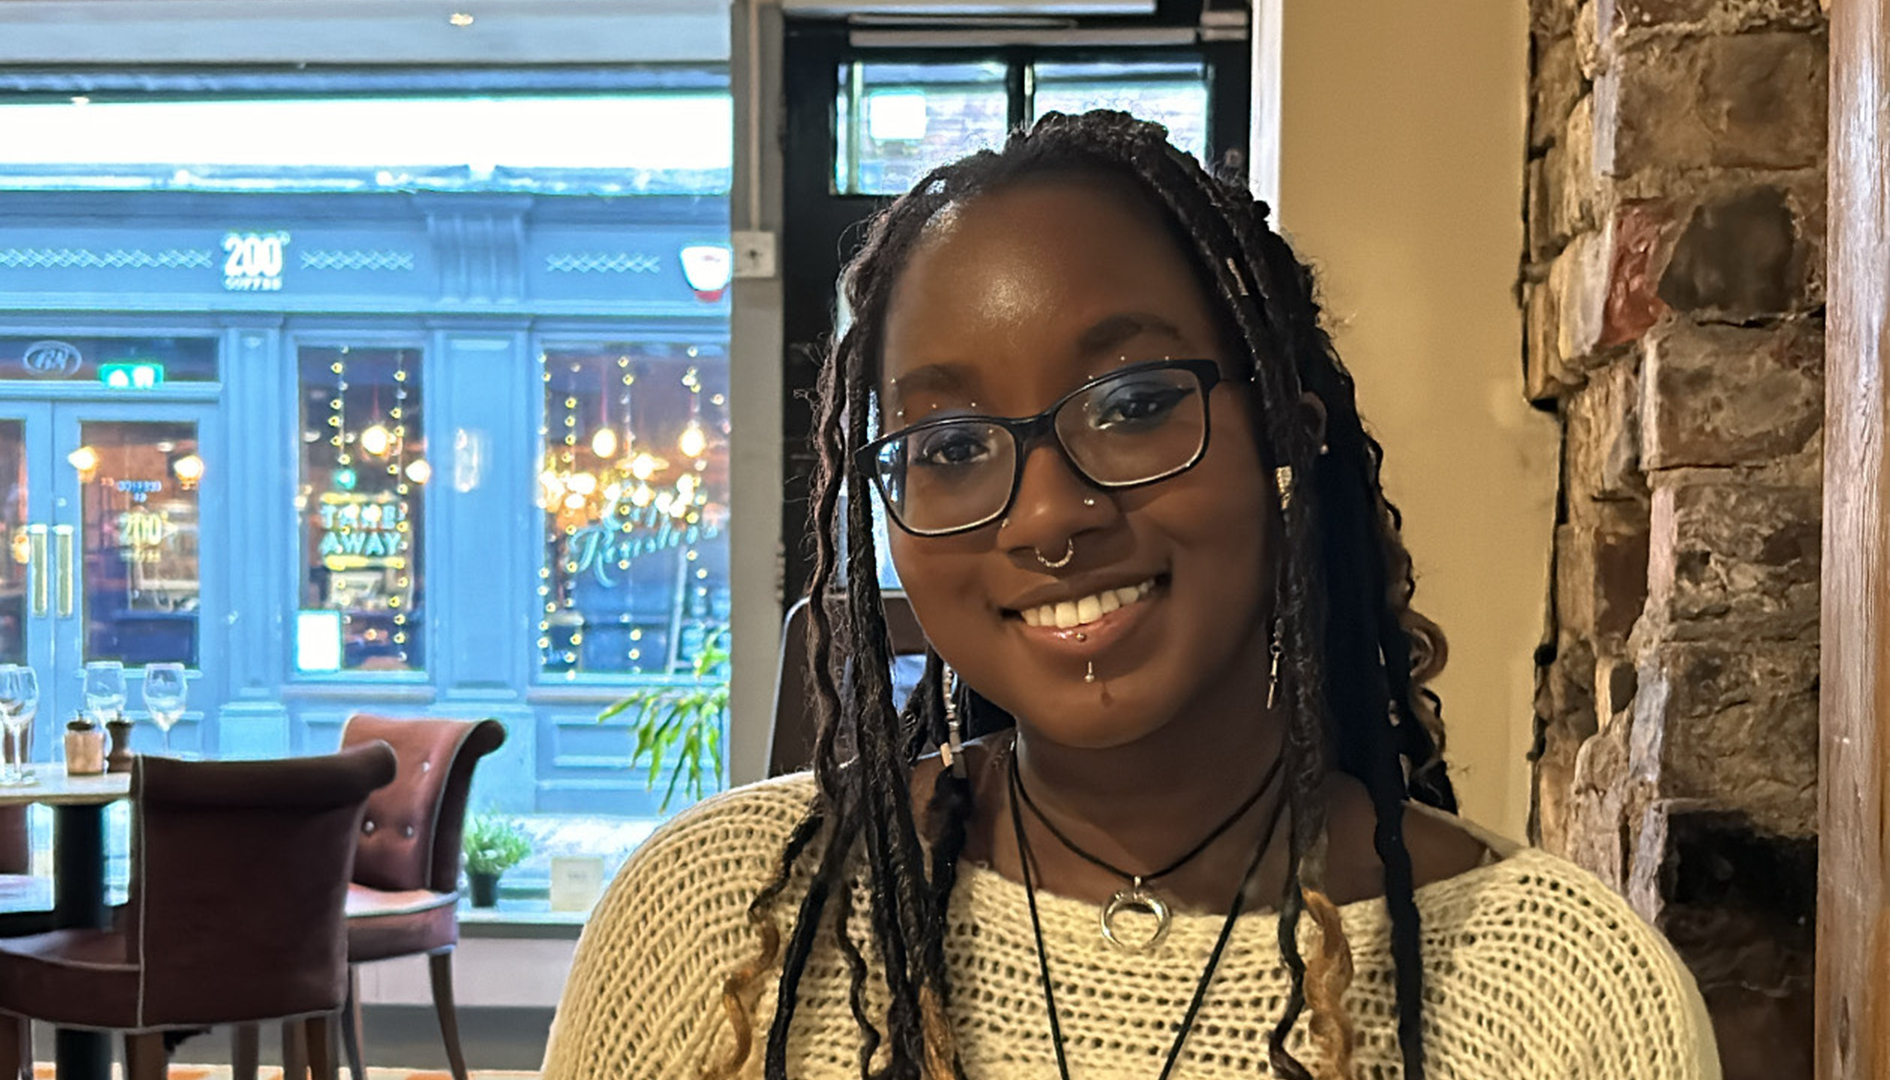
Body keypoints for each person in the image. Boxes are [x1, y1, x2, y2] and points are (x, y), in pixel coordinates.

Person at [543, 111, 1719, 1080]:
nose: (1049, 516)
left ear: (1287, 446)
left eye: (1134, 403)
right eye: (950, 444)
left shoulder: (1561, 1000)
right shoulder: (710, 923)